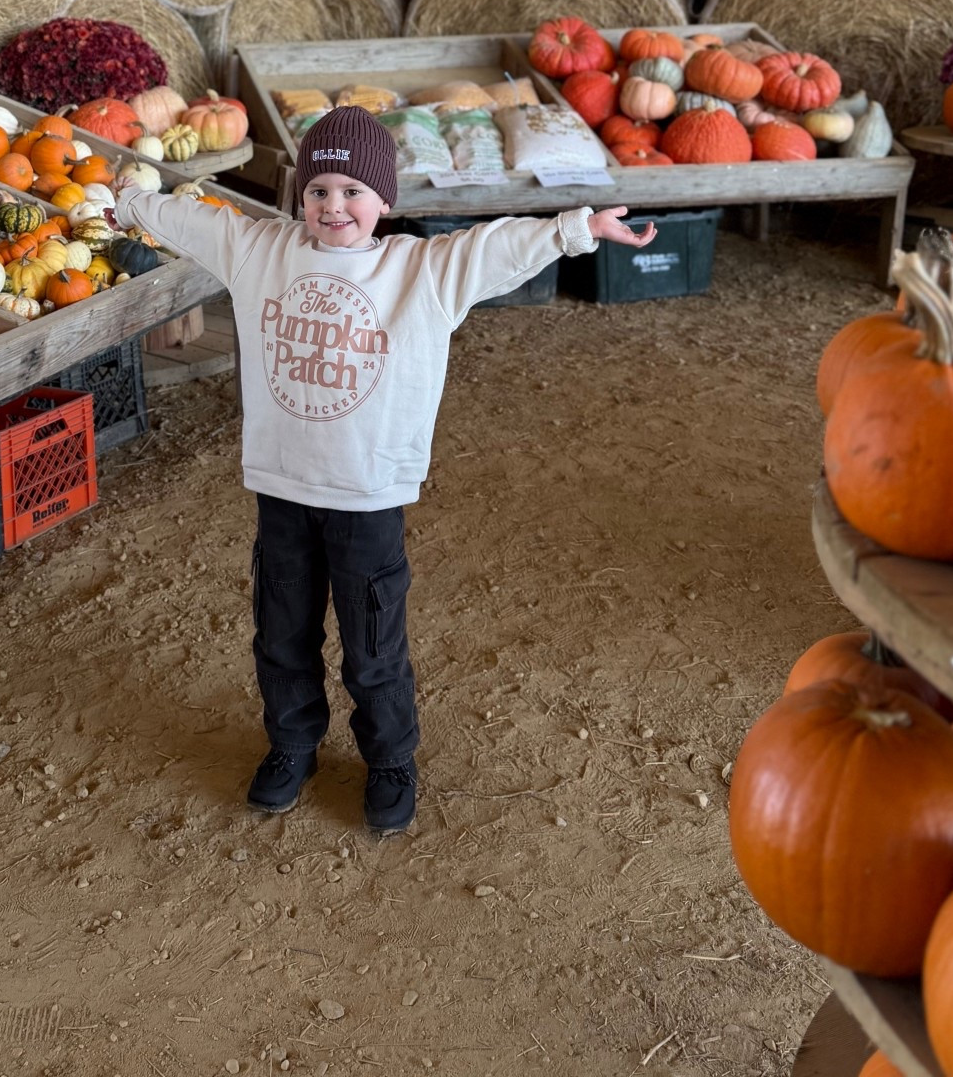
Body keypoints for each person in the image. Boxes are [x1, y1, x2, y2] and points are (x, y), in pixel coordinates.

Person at [113, 104, 655, 838]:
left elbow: (494, 250)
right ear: (299, 197)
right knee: (281, 632)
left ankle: (391, 758)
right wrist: (126, 203)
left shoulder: (419, 271)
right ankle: (293, 744)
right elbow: (197, 222)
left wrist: (577, 228)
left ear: (384, 201)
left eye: (352, 192)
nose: (335, 207)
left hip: (368, 496)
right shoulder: (260, 252)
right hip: (282, 488)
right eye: (318, 192)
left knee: (373, 644)